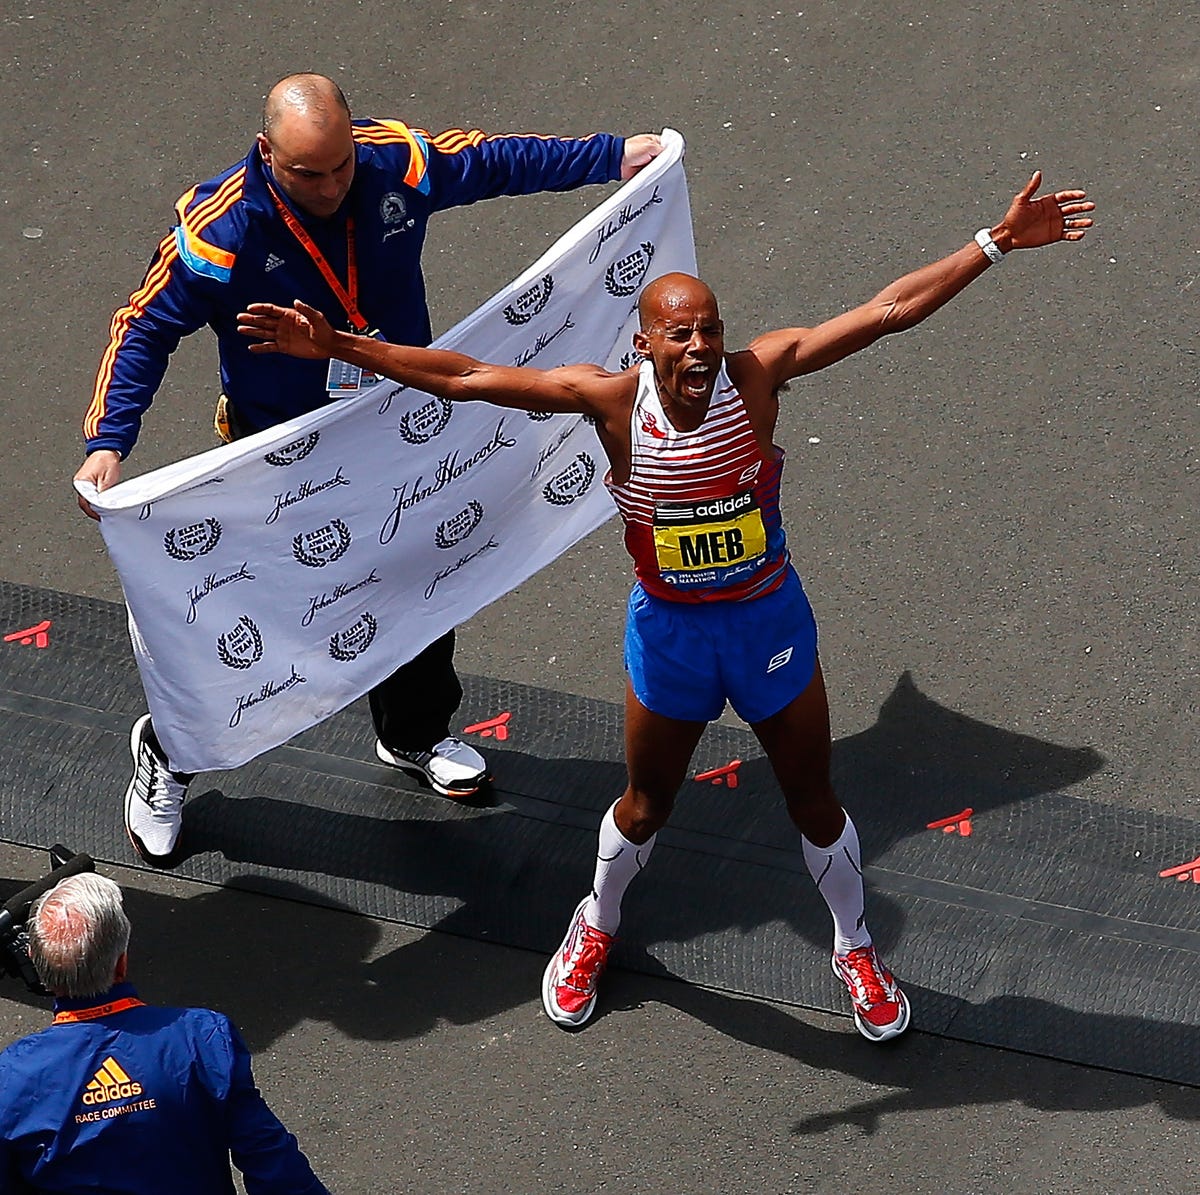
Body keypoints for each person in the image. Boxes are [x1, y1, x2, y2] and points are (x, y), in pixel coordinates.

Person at [235, 171, 1094, 1039]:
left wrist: (996, 241)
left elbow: (886, 310)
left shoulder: (757, 378)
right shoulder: (608, 401)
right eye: (679, 334)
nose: (700, 348)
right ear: (642, 347)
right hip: (673, 634)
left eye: (710, 331)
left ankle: (855, 946)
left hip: (766, 623)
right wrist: (338, 347)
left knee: (813, 799)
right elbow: (464, 378)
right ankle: (595, 925)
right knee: (646, 805)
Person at [73, 72, 663, 867]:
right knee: (248, 610)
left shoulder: (397, 163)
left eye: (341, 166)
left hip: (398, 424)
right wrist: (109, 441)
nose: (330, 186)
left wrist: (611, 157)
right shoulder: (219, 229)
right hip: (279, 451)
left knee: (421, 570)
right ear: (266, 154)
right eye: (306, 174)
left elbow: (493, 161)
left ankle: (414, 733)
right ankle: (171, 754)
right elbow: (141, 324)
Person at [0, 872, 330, 1193]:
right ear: (121, 961)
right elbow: (273, 1163)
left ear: (35, 962)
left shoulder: (11, 1079)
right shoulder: (202, 1039)